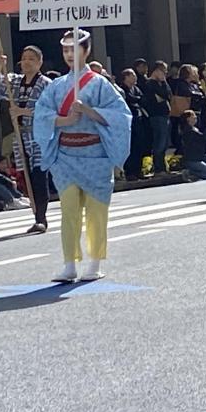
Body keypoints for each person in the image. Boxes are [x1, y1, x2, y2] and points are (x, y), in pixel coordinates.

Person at [33, 30, 132, 283]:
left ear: (86, 51)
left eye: (74, 49)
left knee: (97, 211)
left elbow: (121, 117)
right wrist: (65, 119)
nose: (69, 55)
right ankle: (69, 263)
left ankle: (95, 262)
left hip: (95, 154)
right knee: (69, 211)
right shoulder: (56, 86)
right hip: (66, 155)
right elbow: (41, 116)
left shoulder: (100, 84)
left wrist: (88, 110)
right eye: (65, 50)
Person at [0, 46, 53, 233]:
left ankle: (42, 218)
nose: (26, 62)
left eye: (31, 59)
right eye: (24, 58)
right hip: (20, 135)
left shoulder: (46, 84)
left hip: (39, 134)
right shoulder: (14, 82)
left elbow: (50, 111)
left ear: (39, 62)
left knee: (40, 175)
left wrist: (24, 111)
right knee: (28, 179)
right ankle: (36, 216)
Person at [118, 68, 150, 180]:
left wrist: (137, 99)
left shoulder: (136, 88)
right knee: (131, 147)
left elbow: (144, 100)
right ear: (126, 77)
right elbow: (129, 100)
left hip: (139, 119)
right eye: (132, 75)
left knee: (140, 146)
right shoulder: (122, 89)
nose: (135, 78)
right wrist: (137, 100)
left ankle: (139, 170)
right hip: (129, 120)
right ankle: (130, 171)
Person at [142, 61, 172, 174]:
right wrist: (162, 95)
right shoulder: (150, 83)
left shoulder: (162, 83)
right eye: (163, 71)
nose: (164, 74)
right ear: (156, 71)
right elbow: (159, 97)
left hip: (165, 115)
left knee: (164, 143)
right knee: (159, 142)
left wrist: (164, 82)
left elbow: (168, 95)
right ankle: (158, 167)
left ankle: (163, 166)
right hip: (156, 115)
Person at [179, 110, 206, 180]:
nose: (195, 117)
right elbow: (203, 139)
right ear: (188, 119)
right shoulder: (188, 130)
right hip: (192, 159)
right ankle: (190, 172)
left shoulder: (195, 129)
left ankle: (201, 172)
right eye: (193, 116)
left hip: (200, 156)